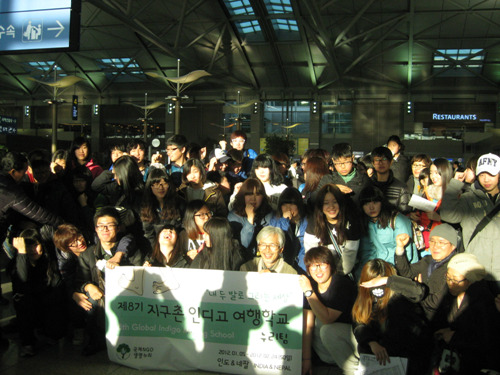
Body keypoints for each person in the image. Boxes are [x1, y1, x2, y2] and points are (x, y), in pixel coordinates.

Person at [352, 259, 430, 374]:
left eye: (380, 282)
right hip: (381, 360)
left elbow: (419, 292)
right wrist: (371, 342)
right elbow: (359, 323)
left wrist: (389, 280)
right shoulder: (365, 298)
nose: (376, 287)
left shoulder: (401, 297)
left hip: (407, 357)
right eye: (372, 282)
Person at [441, 153, 500, 291]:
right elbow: (448, 215)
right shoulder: (468, 199)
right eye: (482, 174)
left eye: (491, 174)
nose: (486, 179)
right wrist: (455, 183)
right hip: (475, 272)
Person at [433, 253, 500, 374]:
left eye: (456, 279)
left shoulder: (483, 302)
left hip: (476, 365)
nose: (450, 283)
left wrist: (454, 337)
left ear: (470, 280)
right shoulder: (451, 293)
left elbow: (488, 340)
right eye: (448, 277)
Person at [299, 246, 358, 375]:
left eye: (322, 264)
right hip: (328, 353)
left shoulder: (341, 284)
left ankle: (353, 370)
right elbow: (307, 325)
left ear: (330, 265)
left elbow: (327, 318)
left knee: (325, 327)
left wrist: (309, 292)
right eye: (313, 266)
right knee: (310, 322)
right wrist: (306, 359)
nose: (318, 270)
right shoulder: (312, 285)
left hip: (354, 340)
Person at [9, 229, 66, 357]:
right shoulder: (17, 262)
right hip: (28, 302)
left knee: (57, 297)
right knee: (23, 301)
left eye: (36, 245)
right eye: (27, 246)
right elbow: (22, 279)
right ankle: (27, 343)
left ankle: (46, 331)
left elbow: (56, 284)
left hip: (45, 300)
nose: (33, 250)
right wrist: (22, 254)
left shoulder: (47, 260)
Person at [394, 223, 458, 320]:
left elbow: (436, 303)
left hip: (440, 321)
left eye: (441, 242)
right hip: (419, 316)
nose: (435, 246)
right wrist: (400, 248)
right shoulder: (427, 260)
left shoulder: (454, 268)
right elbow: (406, 273)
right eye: (432, 241)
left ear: (453, 246)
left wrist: (416, 291)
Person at [356, 185, 418, 279]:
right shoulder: (364, 222)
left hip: (399, 270)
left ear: (382, 202)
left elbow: (407, 254)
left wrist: (386, 272)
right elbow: (366, 252)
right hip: (376, 269)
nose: (371, 207)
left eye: (375, 202)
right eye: (366, 204)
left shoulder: (397, 220)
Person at [304, 184, 362, 276]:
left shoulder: (351, 223)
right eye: (326, 203)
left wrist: (335, 276)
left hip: (342, 274)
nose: (331, 207)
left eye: (335, 202)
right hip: (321, 273)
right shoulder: (314, 223)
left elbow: (350, 255)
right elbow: (311, 252)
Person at [228, 178, 273, 258]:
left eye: (258, 194)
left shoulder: (269, 214)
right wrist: (250, 219)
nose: (253, 198)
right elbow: (243, 245)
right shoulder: (233, 216)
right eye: (249, 194)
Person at [140, 168, 185, 248]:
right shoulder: (146, 205)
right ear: (150, 186)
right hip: (154, 248)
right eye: (157, 184)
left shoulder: (179, 203)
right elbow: (148, 233)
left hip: (176, 246)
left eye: (164, 183)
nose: (161, 188)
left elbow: (182, 229)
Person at [269, 187, 308, 271]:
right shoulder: (275, 221)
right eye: (284, 205)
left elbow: (305, 249)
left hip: (301, 264)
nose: (288, 208)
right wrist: (284, 220)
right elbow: (278, 242)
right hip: (281, 264)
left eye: (292, 204)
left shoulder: (306, 222)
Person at [369, 146, 410, 214]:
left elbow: (405, 213)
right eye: (377, 160)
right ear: (373, 163)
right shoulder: (367, 185)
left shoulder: (401, 188)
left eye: (384, 159)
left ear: (391, 162)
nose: (380, 163)